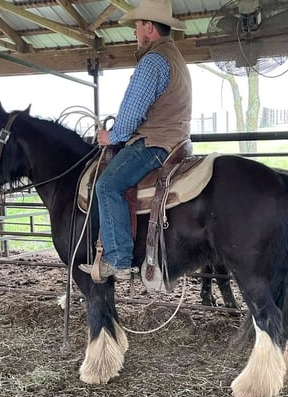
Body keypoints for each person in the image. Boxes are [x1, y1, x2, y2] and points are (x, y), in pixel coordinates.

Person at [79, 0, 192, 282]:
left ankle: (117, 259)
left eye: (137, 26)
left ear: (149, 28)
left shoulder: (152, 61)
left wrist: (111, 136)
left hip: (155, 142)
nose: (135, 32)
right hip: (177, 139)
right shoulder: (175, 57)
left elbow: (130, 115)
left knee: (106, 185)